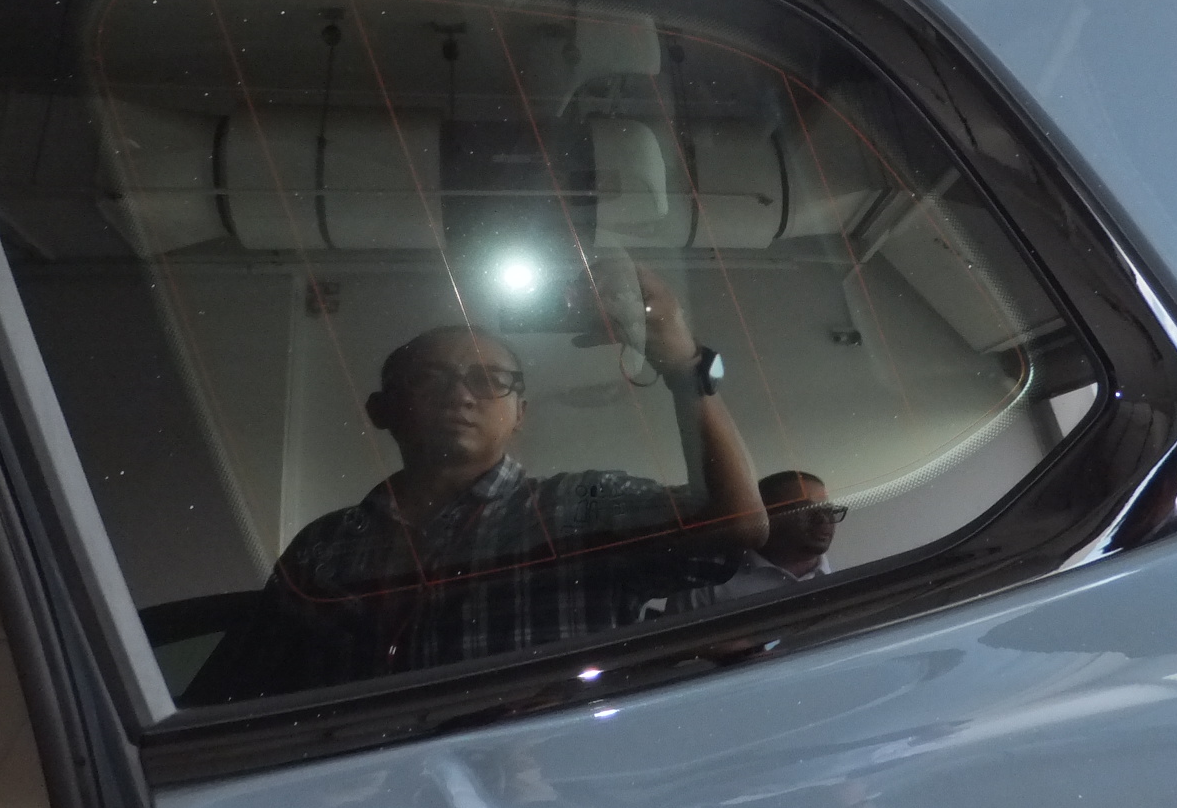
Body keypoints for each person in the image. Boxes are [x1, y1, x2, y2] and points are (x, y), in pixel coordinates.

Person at [188, 266, 766, 702]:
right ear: (381, 410)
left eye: (489, 380)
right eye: (430, 379)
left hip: (545, 794)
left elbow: (739, 525)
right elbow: (237, 687)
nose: (461, 395)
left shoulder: (577, 505)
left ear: (520, 414)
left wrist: (683, 366)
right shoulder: (326, 543)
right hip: (362, 796)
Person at [684, 469, 843, 605]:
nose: (823, 519)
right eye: (805, 509)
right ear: (765, 516)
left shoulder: (846, 575)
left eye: (828, 509)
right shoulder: (707, 581)